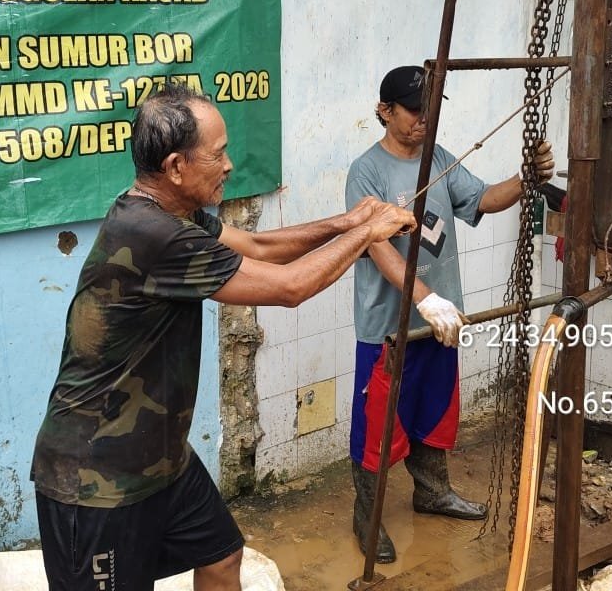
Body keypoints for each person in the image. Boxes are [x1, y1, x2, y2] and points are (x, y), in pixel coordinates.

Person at [31, 84, 416, 591]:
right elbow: (289, 286)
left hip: (160, 457)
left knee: (220, 557)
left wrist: (347, 222)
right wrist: (366, 234)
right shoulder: (154, 235)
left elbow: (258, 246)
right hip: (96, 476)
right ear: (176, 166)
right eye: (218, 154)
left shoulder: (172, 214)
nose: (229, 164)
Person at [344, 65, 555, 563]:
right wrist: (424, 297)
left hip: (439, 322)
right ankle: (367, 516)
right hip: (389, 326)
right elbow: (376, 246)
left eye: (432, 110)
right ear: (385, 111)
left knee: (433, 409)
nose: (424, 119)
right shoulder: (366, 171)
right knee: (378, 423)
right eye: (414, 110)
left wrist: (526, 178)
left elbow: (482, 199)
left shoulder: (438, 158)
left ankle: (433, 492)